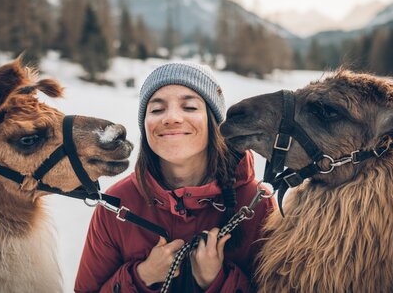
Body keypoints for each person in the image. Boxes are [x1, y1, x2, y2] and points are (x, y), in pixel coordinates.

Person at [75, 62, 275, 292]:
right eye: (157, 110)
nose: (171, 118)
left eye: (189, 107)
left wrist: (218, 281)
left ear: (214, 124)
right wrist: (141, 277)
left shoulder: (256, 205)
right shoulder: (117, 205)